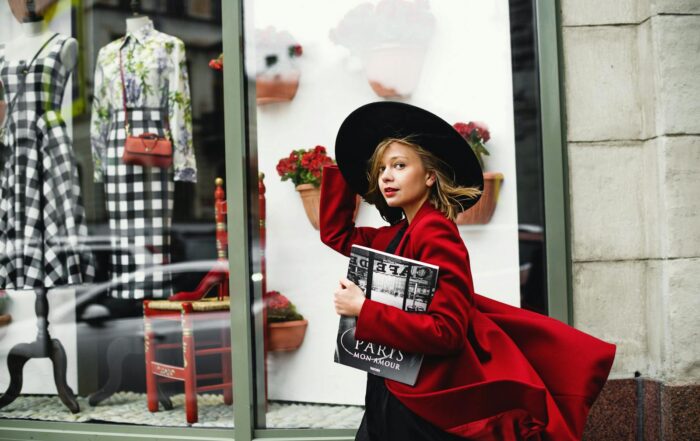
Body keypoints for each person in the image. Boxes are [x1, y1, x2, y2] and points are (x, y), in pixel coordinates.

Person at [320, 102, 616, 441]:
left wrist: (362, 309)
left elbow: (447, 331)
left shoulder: (436, 232)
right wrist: (345, 169)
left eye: (399, 165)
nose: (386, 175)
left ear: (429, 175)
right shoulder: (396, 233)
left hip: (424, 400)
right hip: (390, 383)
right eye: (382, 168)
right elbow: (337, 234)